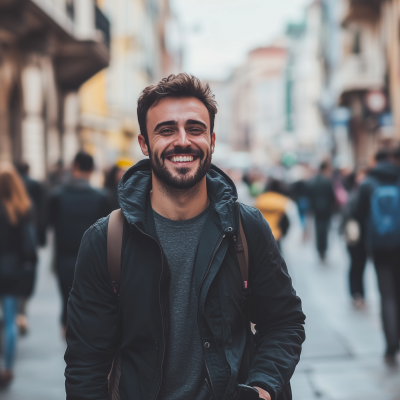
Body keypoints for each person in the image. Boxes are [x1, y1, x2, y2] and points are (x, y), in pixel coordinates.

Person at [64, 74, 305, 400]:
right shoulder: (106, 240)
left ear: (212, 140)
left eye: (195, 129)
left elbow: (284, 323)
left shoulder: (248, 228)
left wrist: (262, 388)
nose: (182, 141)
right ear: (144, 144)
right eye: (166, 130)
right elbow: (86, 363)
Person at [47, 151, 111, 335]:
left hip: (64, 257)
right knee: (90, 298)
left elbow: (48, 226)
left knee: (66, 297)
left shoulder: (57, 196)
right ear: (92, 169)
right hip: (93, 258)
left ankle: (66, 328)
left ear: (74, 166)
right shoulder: (101, 197)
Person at [356, 147, 400, 364]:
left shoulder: (368, 183)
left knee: (387, 296)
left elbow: (357, 213)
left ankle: (391, 345)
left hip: (379, 247)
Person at [0, 163, 36, 386]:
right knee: (11, 321)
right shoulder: (22, 208)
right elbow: (28, 245)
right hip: (12, 270)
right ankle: (8, 367)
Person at [14, 160, 45, 334]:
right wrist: (40, 241)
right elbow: (41, 212)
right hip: (27, 236)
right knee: (24, 281)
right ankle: (21, 313)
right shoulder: (34, 186)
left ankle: (15, 315)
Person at [341, 169, 367, 309]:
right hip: (354, 237)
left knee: (360, 266)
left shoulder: (358, 194)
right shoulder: (353, 195)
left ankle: (359, 294)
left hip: (361, 236)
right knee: (356, 265)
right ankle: (357, 294)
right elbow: (347, 215)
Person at [308, 161, 336, 262]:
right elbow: (332, 196)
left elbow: (309, 195)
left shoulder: (313, 180)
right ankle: (323, 249)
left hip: (316, 209)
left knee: (319, 229)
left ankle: (320, 249)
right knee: (325, 229)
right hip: (326, 209)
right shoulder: (327, 181)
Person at [255, 178, 290, 250]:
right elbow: (286, 222)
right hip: (276, 235)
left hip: (261, 234)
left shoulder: (259, 199)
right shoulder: (282, 201)